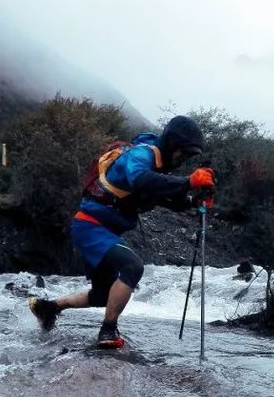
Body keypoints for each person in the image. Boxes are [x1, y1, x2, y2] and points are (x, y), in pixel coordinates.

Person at [29, 115, 215, 347]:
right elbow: (141, 181)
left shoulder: (155, 166)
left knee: (102, 296)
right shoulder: (141, 155)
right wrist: (188, 181)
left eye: (188, 155)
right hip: (91, 226)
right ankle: (107, 332)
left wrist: (192, 201)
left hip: (100, 230)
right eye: (183, 152)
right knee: (133, 267)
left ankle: (49, 308)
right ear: (171, 143)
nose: (183, 158)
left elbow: (161, 196)